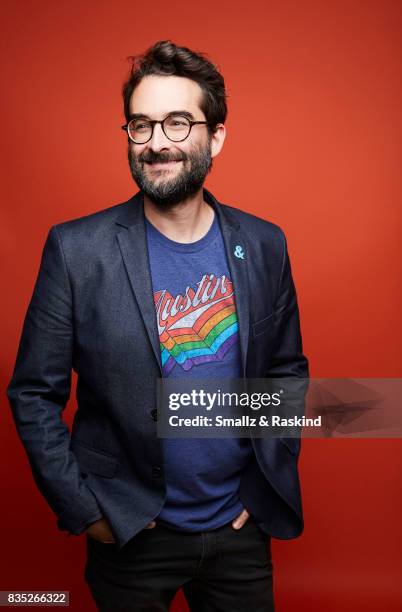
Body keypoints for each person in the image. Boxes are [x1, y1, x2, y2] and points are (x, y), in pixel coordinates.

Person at [7, 40, 308, 612]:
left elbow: (285, 371)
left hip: (239, 530)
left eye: (177, 122)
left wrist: (267, 473)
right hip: (128, 529)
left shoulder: (265, 244)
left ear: (216, 136)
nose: (157, 143)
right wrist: (84, 509)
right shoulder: (76, 250)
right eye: (141, 126)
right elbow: (33, 393)